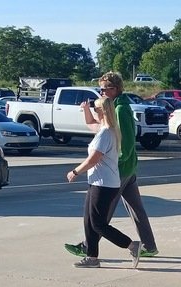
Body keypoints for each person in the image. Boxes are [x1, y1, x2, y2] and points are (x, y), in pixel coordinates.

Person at [65, 71, 158, 259]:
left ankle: (89, 248)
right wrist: (87, 111)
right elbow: (95, 126)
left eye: (104, 89)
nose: (101, 93)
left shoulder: (120, 109)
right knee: (135, 209)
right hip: (126, 168)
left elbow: (128, 141)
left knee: (100, 216)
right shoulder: (116, 107)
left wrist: (117, 160)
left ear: (114, 89)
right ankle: (149, 246)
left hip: (119, 170)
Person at [65, 96, 141, 270]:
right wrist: (85, 109)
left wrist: (75, 171)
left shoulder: (106, 133)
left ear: (102, 111)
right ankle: (92, 257)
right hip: (98, 182)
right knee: (89, 221)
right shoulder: (105, 129)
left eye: (95, 109)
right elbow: (89, 123)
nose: (93, 112)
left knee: (98, 223)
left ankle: (132, 246)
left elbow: (93, 159)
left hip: (104, 184)